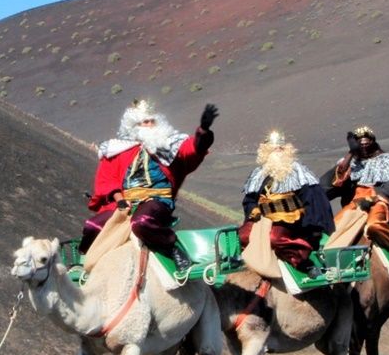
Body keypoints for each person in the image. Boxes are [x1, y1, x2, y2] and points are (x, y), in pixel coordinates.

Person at [79, 99, 218, 269]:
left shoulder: (168, 144)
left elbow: (191, 149)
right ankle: (86, 261)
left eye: (153, 121)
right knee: (92, 226)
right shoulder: (117, 149)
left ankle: (172, 247)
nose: (150, 125)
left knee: (141, 223)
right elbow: (107, 179)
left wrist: (203, 131)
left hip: (157, 201)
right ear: (134, 125)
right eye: (146, 121)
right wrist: (119, 198)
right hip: (125, 203)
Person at [239, 130, 334, 275]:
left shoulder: (299, 172)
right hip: (263, 219)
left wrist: (310, 226)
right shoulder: (258, 174)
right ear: (266, 152)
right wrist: (254, 209)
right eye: (273, 149)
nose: (278, 151)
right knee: (243, 235)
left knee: (275, 238)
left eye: (281, 148)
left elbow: (312, 199)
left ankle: (303, 262)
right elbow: (250, 199)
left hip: (292, 221)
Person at [322, 125, 389, 258]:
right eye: (360, 145)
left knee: (374, 226)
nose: (363, 148)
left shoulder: (386, 161)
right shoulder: (353, 162)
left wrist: (372, 199)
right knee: (334, 228)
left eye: (366, 144)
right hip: (356, 204)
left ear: (373, 142)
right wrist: (351, 153)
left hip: (379, 203)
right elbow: (338, 179)